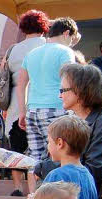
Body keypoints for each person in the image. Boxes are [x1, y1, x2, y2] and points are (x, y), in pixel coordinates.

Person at [18, 16, 80, 189]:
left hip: (33, 110)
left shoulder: (32, 53)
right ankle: (56, 198)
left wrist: (22, 111)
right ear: (67, 33)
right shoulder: (65, 52)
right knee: (60, 156)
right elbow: (70, 81)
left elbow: (21, 83)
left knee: (35, 158)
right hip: (57, 108)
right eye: (72, 39)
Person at [4, 11, 50, 197]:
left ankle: (17, 186)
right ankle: (39, 185)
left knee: (16, 146)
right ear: (43, 27)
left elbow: (4, 71)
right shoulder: (47, 45)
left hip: (15, 100)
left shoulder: (13, 49)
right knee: (39, 147)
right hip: (38, 98)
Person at [54, 64, 102, 192]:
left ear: (80, 92)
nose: (60, 96)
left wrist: (44, 167)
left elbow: (93, 172)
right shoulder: (67, 121)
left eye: (63, 90)